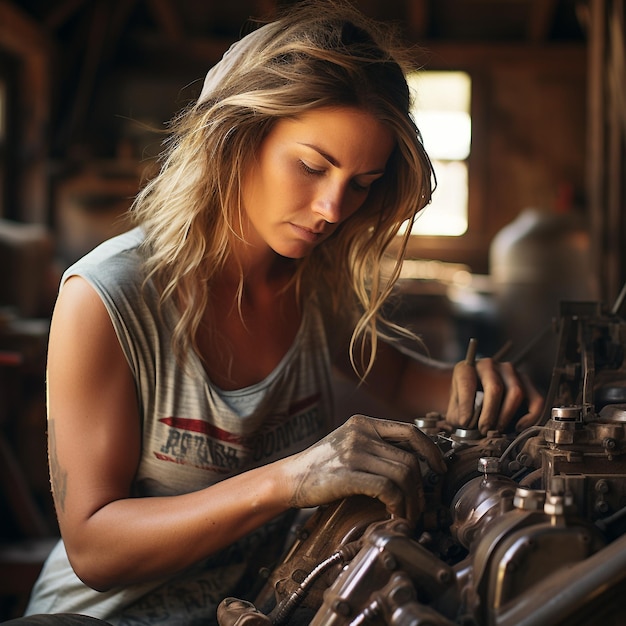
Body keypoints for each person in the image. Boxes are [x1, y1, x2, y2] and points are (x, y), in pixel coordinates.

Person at [16, 2, 542, 625]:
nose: (333, 208)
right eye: (312, 166)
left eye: (362, 181)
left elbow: (398, 378)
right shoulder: (109, 297)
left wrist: (481, 386)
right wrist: (291, 479)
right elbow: (94, 547)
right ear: (237, 139)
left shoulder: (312, 285)